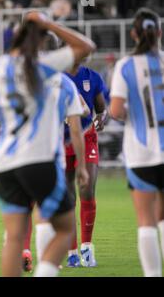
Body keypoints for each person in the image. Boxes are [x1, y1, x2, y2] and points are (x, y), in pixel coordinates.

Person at [0, 11, 94, 277]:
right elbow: (85, 47)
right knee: (64, 228)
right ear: (42, 40)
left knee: (14, 238)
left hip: (3, 163)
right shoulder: (48, 68)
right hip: (40, 160)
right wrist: (49, 23)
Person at [110, 8, 164, 277]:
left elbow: (116, 110)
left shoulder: (126, 66)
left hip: (141, 152)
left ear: (133, 33)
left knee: (146, 221)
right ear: (160, 33)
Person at [63, 63, 109, 267]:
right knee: (68, 198)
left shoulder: (92, 76)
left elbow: (101, 110)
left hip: (87, 137)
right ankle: (71, 251)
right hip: (62, 141)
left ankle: (87, 248)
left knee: (87, 189)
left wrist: (101, 119)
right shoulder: (54, 77)